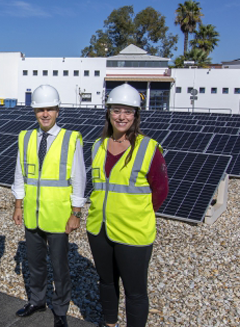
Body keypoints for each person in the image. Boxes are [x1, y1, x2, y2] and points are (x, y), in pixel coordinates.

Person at [87, 83, 169, 327]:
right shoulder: (97, 146)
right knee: (106, 282)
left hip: (133, 231)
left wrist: (138, 213)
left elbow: (161, 190)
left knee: (135, 292)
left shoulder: (149, 148)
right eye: (116, 110)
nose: (121, 116)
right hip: (99, 229)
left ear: (136, 115)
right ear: (108, 113)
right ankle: (109, 323)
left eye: (128, 111)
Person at [12, 84, 86, 327]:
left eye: (50, 109)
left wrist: (76, 213)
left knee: (59, 266)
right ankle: (37, 300)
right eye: (40, 109)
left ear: (57, 111)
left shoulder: (70, 138)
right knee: (35, 262)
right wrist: (18, 205)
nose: (45, 114)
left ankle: (60, 308)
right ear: (34, 111)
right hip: (32, 212)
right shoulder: (26, 137)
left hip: (58, 215)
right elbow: (20, 175)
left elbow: (79, 178)